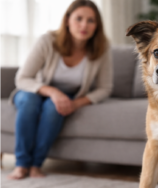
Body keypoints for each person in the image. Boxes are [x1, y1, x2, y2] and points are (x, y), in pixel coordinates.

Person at [8, 0, 112, 179]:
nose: (84, 25)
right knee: (30, 103)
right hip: (34, 90)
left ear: (97, 25)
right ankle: (21, 164)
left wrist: (76, 103)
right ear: (67, 20)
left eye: (90, 21)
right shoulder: (47, 41)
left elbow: (105, 88)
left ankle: (36, 164)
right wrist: (53, 92)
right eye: (78, 18)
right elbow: (22, 78)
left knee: (54, 108)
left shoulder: (101, 49)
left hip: (68, 96)